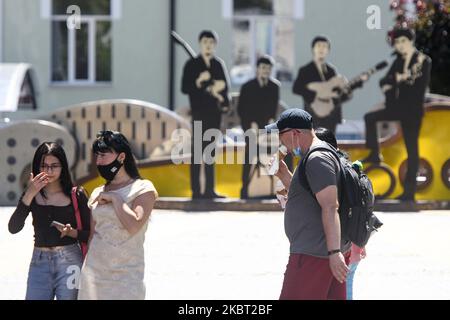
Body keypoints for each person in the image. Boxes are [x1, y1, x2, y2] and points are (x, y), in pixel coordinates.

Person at [266, 110, 351, 300]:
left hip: (314, 254)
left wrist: (334, 252)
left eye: (281, 135)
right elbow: (308, 196)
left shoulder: (316, 159)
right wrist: (285, 176)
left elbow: (330, 206)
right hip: (323, 253)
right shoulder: (315, 156)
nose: (280, 141)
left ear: (294, 133)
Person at [77, 131, 158, 300]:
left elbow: (134, 225)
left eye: (103, 155)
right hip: (93, 276)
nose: (98, 162)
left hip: (127, 278)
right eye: (96, 156)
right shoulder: (98, 192)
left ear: (121, 157)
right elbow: (92, 236)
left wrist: (116, 199)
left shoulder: (143, 188)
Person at [8, 142, 90, 300]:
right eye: (44, 166)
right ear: (36, 167)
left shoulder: (76, 195)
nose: (49, 171)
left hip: (71, 262)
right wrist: (29, 194)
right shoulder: (31, 195)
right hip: (39, 262)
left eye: (54, 165)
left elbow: (90, 234)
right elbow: (13, 227)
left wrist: (72, 232)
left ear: (63, 167)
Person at [363, 28, 432, 201]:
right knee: (370, 117)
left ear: (410, 41)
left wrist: (398, 80)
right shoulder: (398, 61)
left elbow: (417, 84)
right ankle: (374, 153)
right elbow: (384, 80)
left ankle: (409, 192)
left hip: (412, 110)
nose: (400, 45)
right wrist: (395, 81)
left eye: (403, 41)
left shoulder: (423, 60)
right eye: (397, 42)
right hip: (397, 107)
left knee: (412, 150)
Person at [314, 127, 366, 300]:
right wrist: (360, 242)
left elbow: (329, 208)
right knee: (345, 288)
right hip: (353, 242)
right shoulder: (350, 168)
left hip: (335, 247)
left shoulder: (328, 170)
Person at [181, 30, 230, 199]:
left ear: (215, 45)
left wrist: (224, 102)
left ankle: (210, 190)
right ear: (200, 44)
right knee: (197, 153)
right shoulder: (192, 65)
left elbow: (226, 90)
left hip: (214, 114)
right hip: (198, 113)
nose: (208, 45)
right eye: (205, 42)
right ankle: (196, 191)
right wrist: (198, 81)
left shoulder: (218, 65)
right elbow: (184, 88)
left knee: (210, 152)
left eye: (211, 42)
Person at [237, 55, 280, 199]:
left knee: (273, 157)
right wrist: (250, 125)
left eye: (268, 68)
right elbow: (241, 110)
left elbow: (273, 112)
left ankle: (272, 189)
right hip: (251, 129)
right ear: (257, 69)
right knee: (249, 157)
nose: (265, 71)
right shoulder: (247, 87)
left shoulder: (274, 87)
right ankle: (245, 190)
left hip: (267, 129)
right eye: (262, 68)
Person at [293, 36, 350, 134]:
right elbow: (296, 88)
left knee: (329, 146)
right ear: (313, 49)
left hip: (331, 116)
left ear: (328, 50)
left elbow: (338, 93)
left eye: (325, 47)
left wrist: (345, 92)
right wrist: (316, 95)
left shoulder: (332, 70)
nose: (321, 49)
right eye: (318, 46)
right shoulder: (305, 70)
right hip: (313, 113)